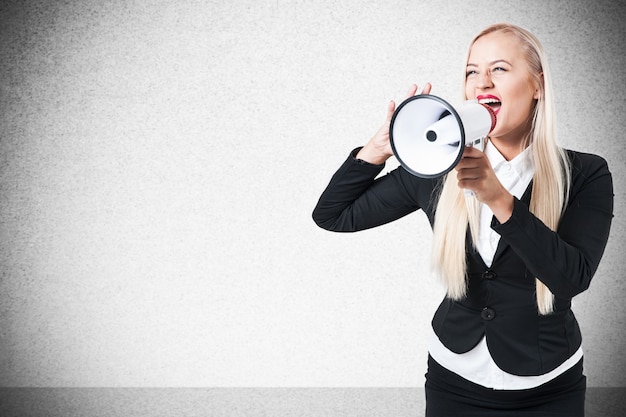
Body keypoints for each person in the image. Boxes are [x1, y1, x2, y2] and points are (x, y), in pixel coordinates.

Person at [312, 23, 613, 416]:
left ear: (537, 85)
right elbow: (333, 214)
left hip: (547, 385)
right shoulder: (438, 167)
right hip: (452, 379)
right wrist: (378, 147)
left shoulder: (585, 173)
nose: (482, 82)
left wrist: (499, 199)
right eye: (472, 71)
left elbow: (571, 279)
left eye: (500, 69)